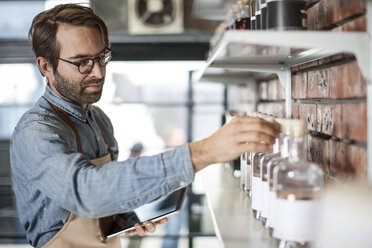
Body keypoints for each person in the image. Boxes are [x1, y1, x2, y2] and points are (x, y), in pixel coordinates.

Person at [9, 4, 280, 248]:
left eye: (102, 57)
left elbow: (104, 200)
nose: (99, 72)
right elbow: (86, 192)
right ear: (45, 66)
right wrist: (204, 152)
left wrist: (125, 219)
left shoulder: (99, 120)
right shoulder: (35, 133)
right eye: (83, 63)